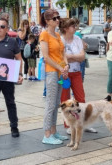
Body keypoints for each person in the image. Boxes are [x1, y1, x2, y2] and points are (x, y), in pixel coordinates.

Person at [0, 18, 23, 137]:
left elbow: (19, 58)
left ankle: (14, 127)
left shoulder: (12, 42)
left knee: (10, 102)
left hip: (8, 79)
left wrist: (20, 74)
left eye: (2, 27)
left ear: (7, 29)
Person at [40, 9, 69, 144]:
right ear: (47, 21)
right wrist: (60, 68)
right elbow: (46, 57)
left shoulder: (57, 35)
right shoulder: (44, 35)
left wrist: (66, 66)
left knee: (57, 103)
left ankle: (53, 132)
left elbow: (62, 53)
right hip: (52, 72)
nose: (58, 20)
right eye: (54, 19)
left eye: (58, 18)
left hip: (60, 72)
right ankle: (46, 134)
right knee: (50, 104)